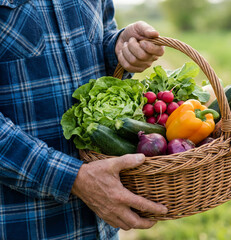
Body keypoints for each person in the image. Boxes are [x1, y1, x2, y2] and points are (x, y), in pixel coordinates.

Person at [0, 0, 167, 239]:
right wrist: (73, 178)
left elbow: (99, 40)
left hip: (101, 226)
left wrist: (119, 48)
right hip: (25, 224)